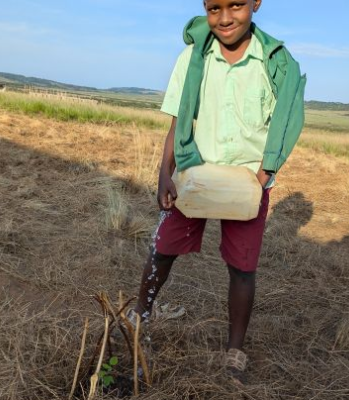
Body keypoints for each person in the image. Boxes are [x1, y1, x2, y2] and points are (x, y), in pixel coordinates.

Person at [130, 0, 306, 383]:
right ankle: (137, 318)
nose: (225, 18)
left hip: (247, 182)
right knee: (162, 250)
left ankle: (234, 351)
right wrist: (166, 172)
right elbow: (179, 119)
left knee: (243, 268)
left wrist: (262, 177)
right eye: (214, 8)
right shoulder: (194, 56)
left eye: (237, 5)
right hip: (194, 174)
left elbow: (287, 121)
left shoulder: (275, 63)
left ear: (256, 3)